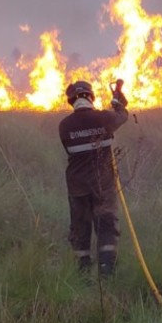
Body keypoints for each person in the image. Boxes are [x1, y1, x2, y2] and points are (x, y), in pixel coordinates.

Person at [58, 80, 128, 276]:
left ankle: (82, 273)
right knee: (106, 226)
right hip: (102, 186)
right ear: (91, 97)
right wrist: (118, 103)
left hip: (77, 187)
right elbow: (122, 116)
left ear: (71, 101)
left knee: (80, 229)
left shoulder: (64, 126)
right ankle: (106, 273)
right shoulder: (104, 118)